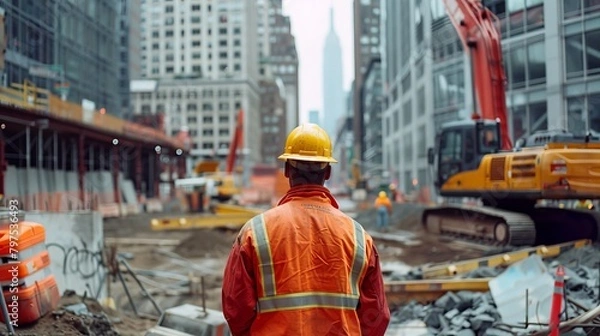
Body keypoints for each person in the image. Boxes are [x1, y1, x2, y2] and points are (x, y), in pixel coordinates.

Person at [221, 123, 390, 335]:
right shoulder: (358, 237)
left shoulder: (254, 232)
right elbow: (377, 315)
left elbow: (235, 308)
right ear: (327, 172)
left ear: (287, 170)